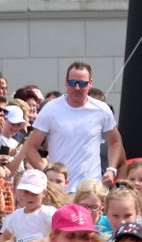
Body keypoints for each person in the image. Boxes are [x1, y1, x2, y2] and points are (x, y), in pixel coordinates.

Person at [15, 61, 122, 191]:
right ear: (66, 82)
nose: (77, 87)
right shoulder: (51, 109)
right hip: (60, 190)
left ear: (90, 84)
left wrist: (111, 169)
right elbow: (30, 147)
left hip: (91, 188)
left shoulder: (102, 109)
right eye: (72, 82)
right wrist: (47, 175)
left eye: (82, 83)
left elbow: (115, 142)